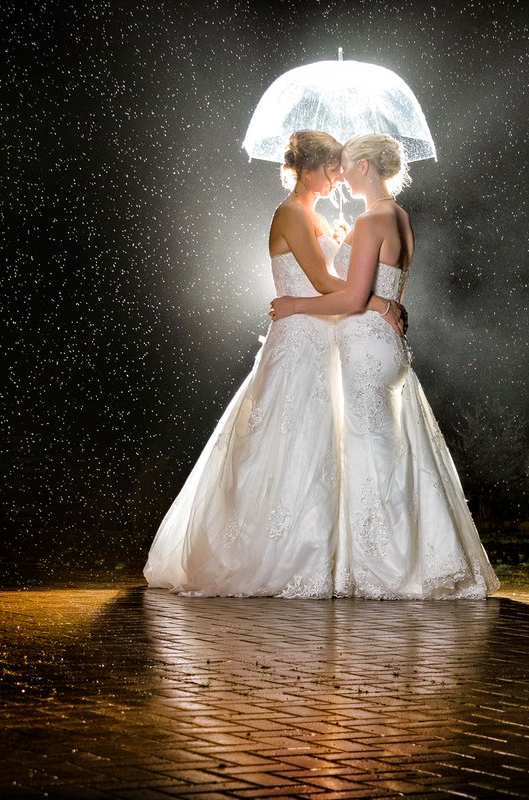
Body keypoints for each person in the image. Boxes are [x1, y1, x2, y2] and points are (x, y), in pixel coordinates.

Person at [144, 131, 404, 598]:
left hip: (322, 339)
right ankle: (276, 555)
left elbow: (340, 279)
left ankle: (319, 552)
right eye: (329, 169)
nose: (335, 179)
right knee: (286, 441)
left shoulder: (313, 216)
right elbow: (326, 281)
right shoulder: (289, 214)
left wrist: (351, 255)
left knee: (317, 446)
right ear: (307, 169)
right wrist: (380, 300)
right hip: (299, 339)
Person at [270, 133, 500, 599]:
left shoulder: (372, 219)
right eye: (333, 165)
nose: (340, 173)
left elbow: (354, 296)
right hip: (386, 349)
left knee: (372, 455)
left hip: (366, 346)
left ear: (366, 168)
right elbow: (379, 282)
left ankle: (391, 565)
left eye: (347, 164)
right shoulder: (399, 216)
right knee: (388, 450)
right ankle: (412, 554)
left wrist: (294, 304)